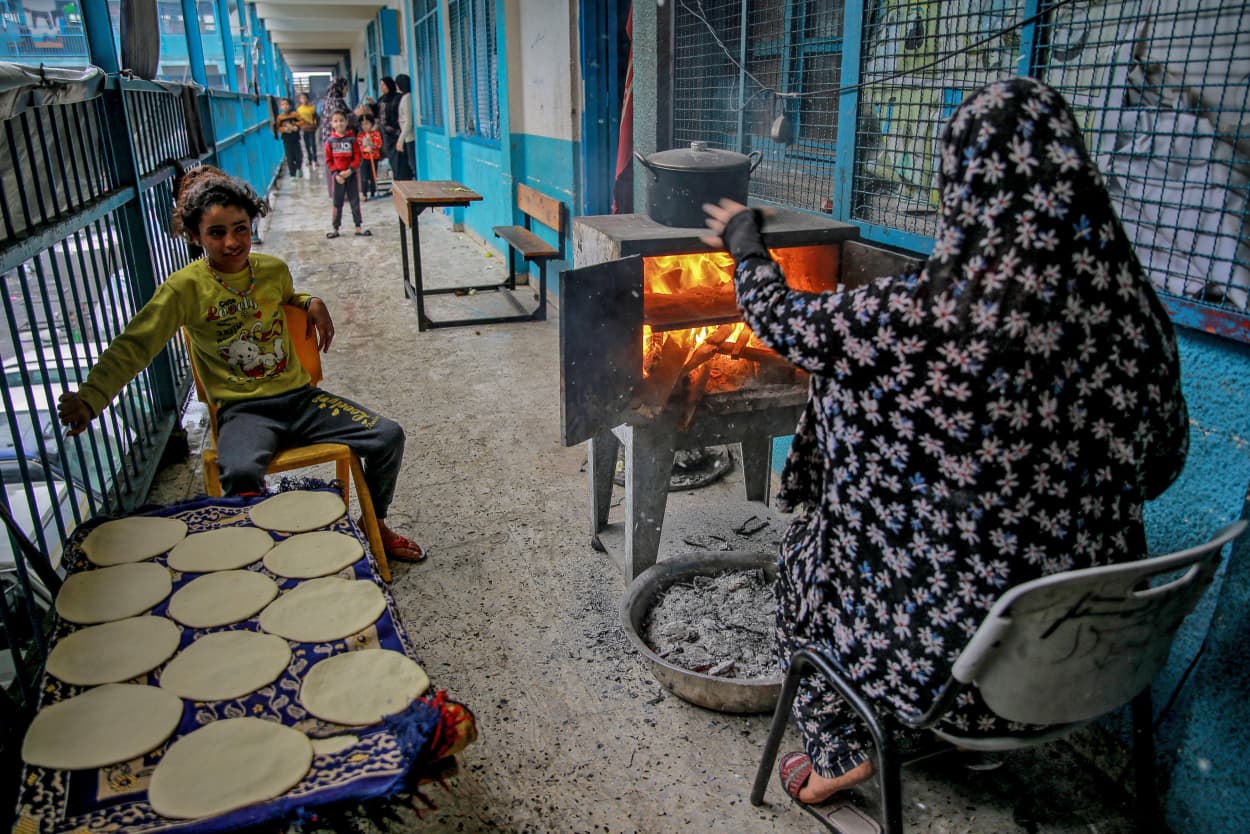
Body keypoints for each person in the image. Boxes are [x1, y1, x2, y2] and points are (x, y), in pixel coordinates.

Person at [700, 77, 1189, 811]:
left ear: (963, 183)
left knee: (814, 552)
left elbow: (791, 327)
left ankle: (836, 750)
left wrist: (747, 247)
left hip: (947, 675)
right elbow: (1162, 466)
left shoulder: (926, 312)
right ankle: (983, 740)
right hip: (1095, 656)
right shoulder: (1137, 316)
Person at [56, 169, 425, 563]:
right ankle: (259, 552)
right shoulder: (184, 288)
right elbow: (137, 344)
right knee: (241, 471)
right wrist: (91, 398)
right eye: (216, 233)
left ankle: (378, 526)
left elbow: (285, 296)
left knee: (387, 436)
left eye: (241, 229)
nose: (232, 242)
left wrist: (308, 301)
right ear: (195, 236)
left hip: (301, 400)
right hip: (243, 412)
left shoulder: (271, 270)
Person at [323, 111, 369, 238]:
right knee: (337, 203)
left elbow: (357, 157)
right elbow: (328, 160)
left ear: (346, 122)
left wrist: (350, 170)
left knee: (355, 201)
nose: (339, 123)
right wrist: (336, 174)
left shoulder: (352, 140)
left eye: (341, 120)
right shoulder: (330, 141)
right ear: (332, 124)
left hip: (351, 176)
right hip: (338, 178)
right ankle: (336, 228)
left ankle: (358, 227)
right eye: (336, 121)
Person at [376, 76, 401, 187]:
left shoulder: (397, 98)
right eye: (381, 85)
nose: (382, 87)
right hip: (386, 135)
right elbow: (377, 114)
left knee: (398, 160)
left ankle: (400, 182)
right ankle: (395, 182)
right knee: (391, 158)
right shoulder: (381, 99)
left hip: (396, 133)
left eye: (384, 85)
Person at [392, 74, 415, 182]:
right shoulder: (404, 97)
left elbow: (408, 122)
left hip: (409, 136)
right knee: (410, 163)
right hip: (407, 136)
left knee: (413, 164)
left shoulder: (407, 98)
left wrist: (400, 140)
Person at [274, 98, 303, 179]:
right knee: (289, 157)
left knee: (298, 156)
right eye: (283, 105)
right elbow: (278, 128)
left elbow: (302, 122)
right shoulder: (280, 117)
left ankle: (299, 168)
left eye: (286, 104)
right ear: (280, 107)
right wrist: (284, 129)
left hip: (295, 139)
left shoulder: (295, 114)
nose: (285, 106)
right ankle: (292, 175)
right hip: (286, 140)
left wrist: (295, 126)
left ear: (290, 105)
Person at [356, 114, 383, 201]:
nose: (365, 126)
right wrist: (364, 149)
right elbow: (358, 146)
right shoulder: (360, 135)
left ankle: (373, 192)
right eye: (363, 124)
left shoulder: (375, 134)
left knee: (372, 176)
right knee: (364, 176)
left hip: (373, 158)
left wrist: (371, 143)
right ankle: (364, 194)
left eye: (367, 123)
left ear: (371, 124)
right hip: (364, 159)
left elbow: (379, 144)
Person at [296, 92, 318, 167]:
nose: (303, 99)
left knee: (313, 144)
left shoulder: (312, 108)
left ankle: (315, 160)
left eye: (304, 98)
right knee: (307, 145)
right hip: (304, 130)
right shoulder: (299, 110)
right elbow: (298, 120)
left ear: (307, 99)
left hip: (311, 129)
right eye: (301, 98)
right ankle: (309, 160)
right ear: (299, 100)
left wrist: (315, 126)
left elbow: (316, 118)